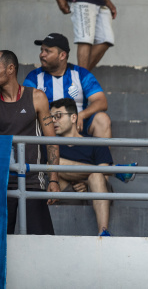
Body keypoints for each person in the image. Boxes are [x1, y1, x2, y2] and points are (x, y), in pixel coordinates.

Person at [0, 50, 60, 235]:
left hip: (32, 179)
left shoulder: (36, 97)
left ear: (10, 69)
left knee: (41, 241)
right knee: (3, 240)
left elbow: (51, 142)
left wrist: (54, 179)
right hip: (2, 181)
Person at [23, 33, 112, 139]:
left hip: (78, 130)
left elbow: (101, 102)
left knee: (102, 119)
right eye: (42, 50)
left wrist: (81, 115)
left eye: (48, 51)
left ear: (62, 55)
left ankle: (101, 156)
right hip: (47, 130)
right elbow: (25, 106)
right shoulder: (34, 77)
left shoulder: (81, 74)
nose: (42, 54)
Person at [50, 98, 114, 236]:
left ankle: (103, 232)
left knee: (97, 177)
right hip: (67, 193)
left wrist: (86, 182)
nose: (54, 120)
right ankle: (114, 171)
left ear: (73, 117)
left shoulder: (95, 143)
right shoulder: (51, 145)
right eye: (52, 117)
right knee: (54, 162)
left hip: (95, 191)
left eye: (59, 116)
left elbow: (105, 178)